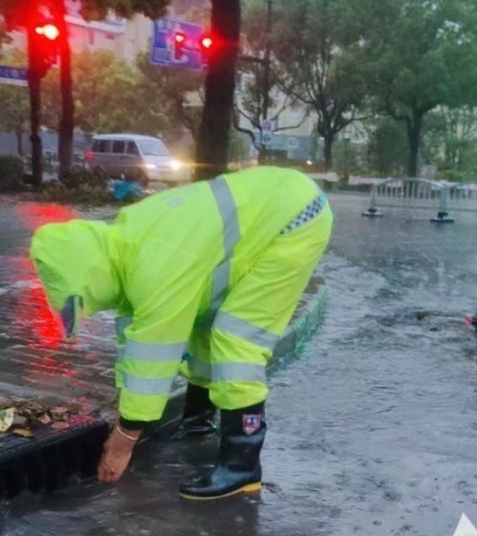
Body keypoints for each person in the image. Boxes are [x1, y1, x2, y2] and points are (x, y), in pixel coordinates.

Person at [30, 165, 333, 500]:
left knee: (236, 337)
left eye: (85, 300)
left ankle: (242, 465)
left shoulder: (154, 267)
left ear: (90, 276)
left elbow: (152, 355)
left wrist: (122, 441)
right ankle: (200, 418)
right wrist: (124, 407)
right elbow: (132, 340)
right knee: (203, 322)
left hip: (293, 219)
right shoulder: (123, 248)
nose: (93, 308)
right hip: (277, 200)